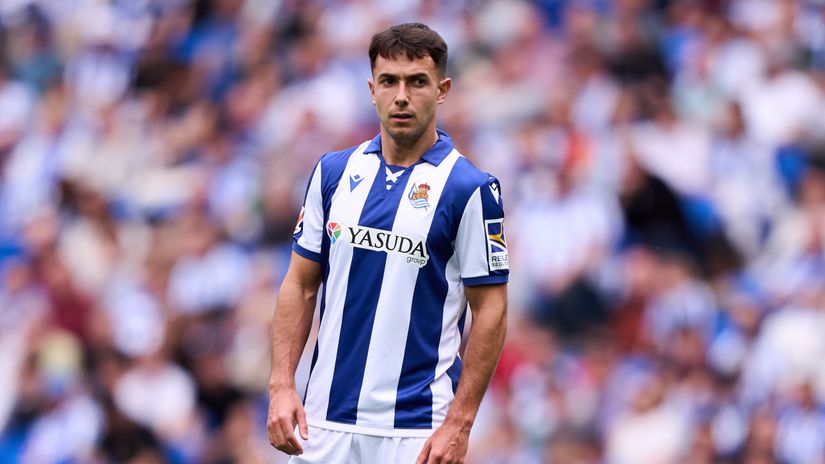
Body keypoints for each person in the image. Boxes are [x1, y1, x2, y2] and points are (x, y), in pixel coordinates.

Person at [267, 23, 509, 464]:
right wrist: (282, 384)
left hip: (416, 431)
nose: (401, 96)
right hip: (322, 423)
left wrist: (461, 422)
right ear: (371, 88)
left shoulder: (468, 189)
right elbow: (300, 285)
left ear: (442, 89)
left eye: (417, 81)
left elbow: (490, 309)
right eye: (389, 81)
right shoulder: (333, 173)